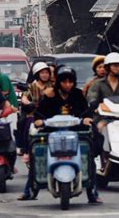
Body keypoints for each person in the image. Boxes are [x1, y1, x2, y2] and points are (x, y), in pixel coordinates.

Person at [34, 67, 102, 204]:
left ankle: (92, 192)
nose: (68, 85)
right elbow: (39, 113)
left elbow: (86, 111)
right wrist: (39, 121)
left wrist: (87, 118)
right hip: (52, 132)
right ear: (58, 82)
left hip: (76, 131)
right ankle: (29, 189)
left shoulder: (77, 94)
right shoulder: (50, 95)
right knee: (35, 151)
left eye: (71, 82)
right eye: (64, 82)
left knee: (89, 156)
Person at [17, 62, 54, 201]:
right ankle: (25, 149)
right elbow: (25, 98)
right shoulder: (32, 86)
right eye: (42, 72)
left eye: (47, 72)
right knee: (35, 157)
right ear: (37, 74)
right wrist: (28, 103)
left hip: (51, 121)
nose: (45, 75)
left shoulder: (52, 87)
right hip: (35, 118)